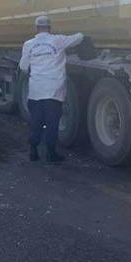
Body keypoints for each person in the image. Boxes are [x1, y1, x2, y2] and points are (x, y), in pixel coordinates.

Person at [19, 15, 83, 163]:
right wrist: (83, 33)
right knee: (52, 122)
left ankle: (33, 152)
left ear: (36, 28)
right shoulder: (58, 40)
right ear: (49, 27)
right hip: (54, 90)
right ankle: (50, 154)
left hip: (36, 90)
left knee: (36, 121)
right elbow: (78, 38)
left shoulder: (29, 44)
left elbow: (23, 67)